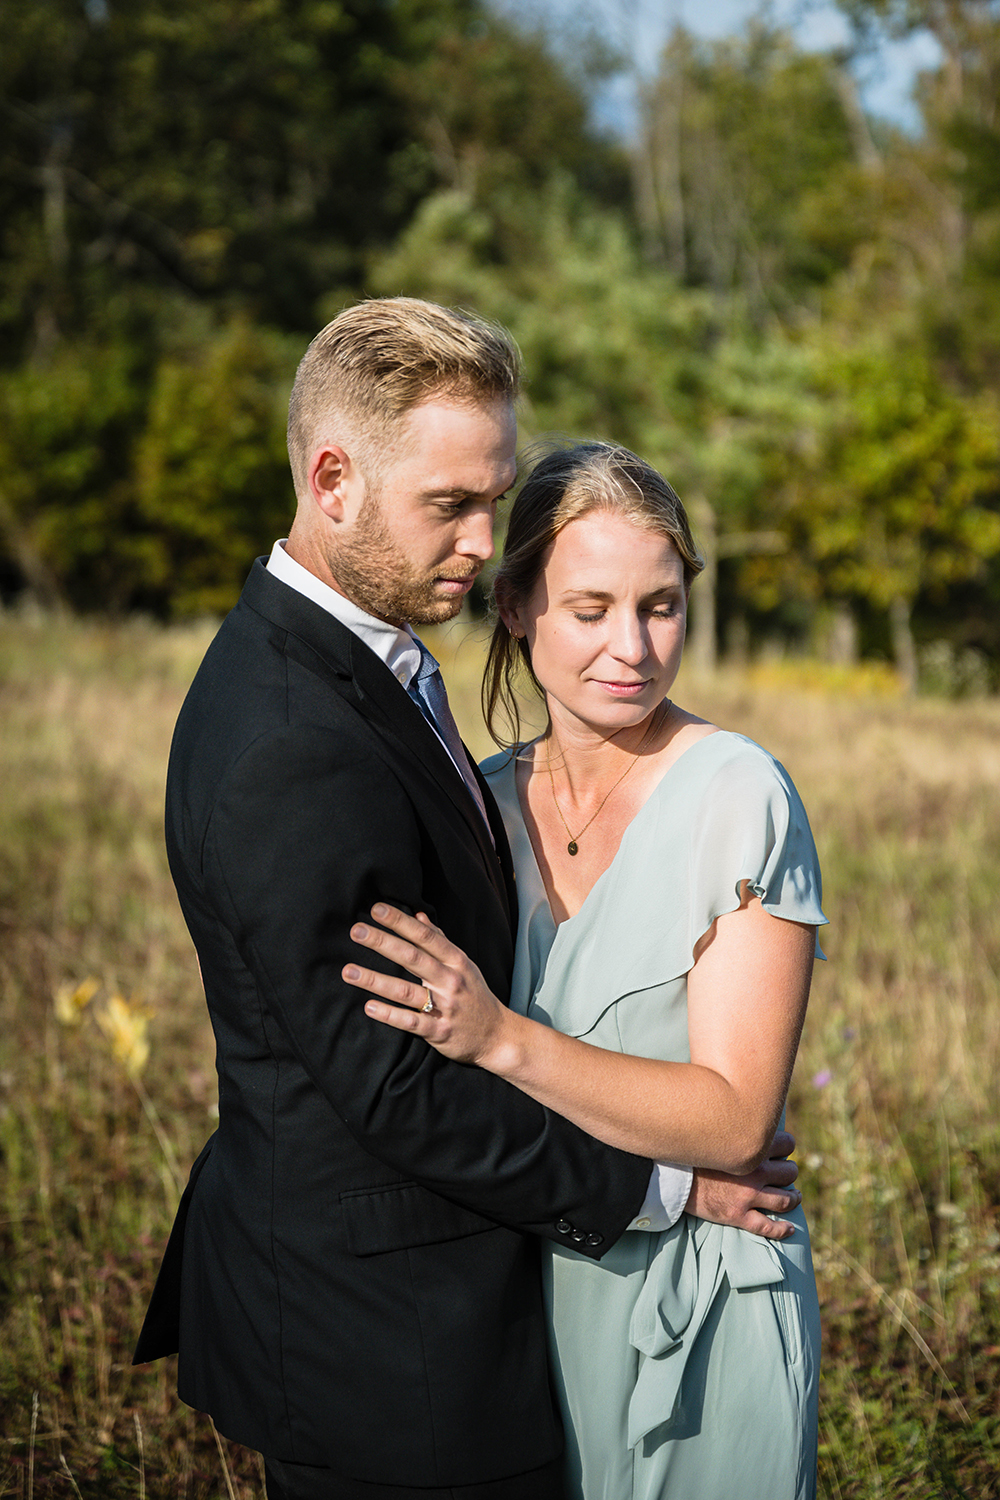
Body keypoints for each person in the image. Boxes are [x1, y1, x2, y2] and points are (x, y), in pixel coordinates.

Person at [133, 301, 806, 1500]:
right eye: (451, 505)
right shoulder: (294, 735)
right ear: (332, 478)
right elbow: (395, 1088)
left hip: (494, 1309)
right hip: (394, 1340)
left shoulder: (364, 671)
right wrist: (669, 1185)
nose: (482, 537)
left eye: (493, 500)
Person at [343, 441, 826, 1500]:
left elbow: (736, 1120)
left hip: (702, 1300)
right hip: (519, 1302)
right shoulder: (477, 802)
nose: (633, 648)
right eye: (590, 607)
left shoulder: (738, 793)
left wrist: (504, 1040)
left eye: (660, 607)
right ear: (515, 608)